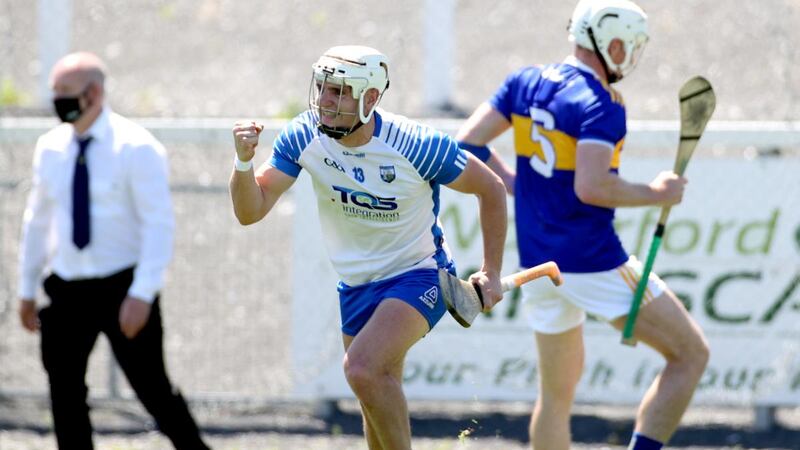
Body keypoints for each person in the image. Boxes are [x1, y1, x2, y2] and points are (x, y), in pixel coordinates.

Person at [456, 1, 710, 449]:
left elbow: (468, 142)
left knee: (555, 396)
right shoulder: (603, 103)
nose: (631, 55)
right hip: (594, 262)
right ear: (609, 44)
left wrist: (514, 183)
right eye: (628, 46)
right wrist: (656, 193)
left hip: (538, 265)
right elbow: (592, 187)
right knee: (690, 355)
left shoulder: (524, 81)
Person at [229, 45, 507, 450]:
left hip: (419, 273)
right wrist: (241, 163)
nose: (325, 101)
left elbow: (491, 188)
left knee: (361, 370)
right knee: (375, 395)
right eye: (322, 88)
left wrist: (492, 271)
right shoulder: (305, 134)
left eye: (339, 92)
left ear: (371, 98)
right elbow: (250, 211)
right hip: (356, 285)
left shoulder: (415, 144)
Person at [17, 52, 210, 450]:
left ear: (95, 93)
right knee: (65, 393)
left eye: (66, 93)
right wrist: (26, 289)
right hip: (66, 288)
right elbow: (37, 221)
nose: (58, 101)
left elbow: (159, 225)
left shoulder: (137, 148)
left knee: (154, 391)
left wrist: (142, 294)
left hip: (122, 287)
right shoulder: (49, 148)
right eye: (55, 93)